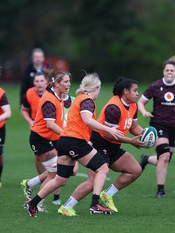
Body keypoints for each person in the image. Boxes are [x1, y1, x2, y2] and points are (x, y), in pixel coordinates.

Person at [24, 73, 123, 217]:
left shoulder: (77, 99)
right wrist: (108, 129)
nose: (99, 92)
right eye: (99, 88)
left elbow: (80, 123)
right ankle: (95, 204)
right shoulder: (87, 100)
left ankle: (32, 204)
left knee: (60, 179)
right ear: (95, 88)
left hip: (64, 140)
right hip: (73, 141)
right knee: (102, 169)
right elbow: (87, 120)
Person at [58, 77, 145, 216]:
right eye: (135, 90)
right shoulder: (114, 108)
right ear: (125, 91)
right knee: (92, 181)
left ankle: (107, 195)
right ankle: (67, 206)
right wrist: (130, 141)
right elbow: (109, 134)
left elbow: (133, 126)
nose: (137, 93)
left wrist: (147, 136)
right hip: (100, 143)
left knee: (135, 170)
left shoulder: (132, 105)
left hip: (114, 146)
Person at [138, 54, 175, 198]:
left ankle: (146, 159)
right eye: (167, 70)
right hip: (158, 125)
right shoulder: (156, 86)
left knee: (165, 158)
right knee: (165, 156)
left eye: (172, 70)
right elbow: (141, 102)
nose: (169, 72)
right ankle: (160, 190)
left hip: (173, 127)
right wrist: (143, 112)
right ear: (163, 71)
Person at [21, 72, 77, 205]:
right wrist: (68, 135)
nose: (69, 84)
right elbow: (50, 124)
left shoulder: (59, 96)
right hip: (41, 139)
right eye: (65, 81)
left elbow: (59, 120)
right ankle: (36, 204)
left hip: (53, 138)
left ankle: (30, 184)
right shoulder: (49, 100)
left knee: (68, 170)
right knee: (56, 173)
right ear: (57, 83)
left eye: (69, 81)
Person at [20, 71, 49, 175]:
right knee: (39, 157)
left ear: (46, 82)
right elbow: (24, 110)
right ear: (33, 82)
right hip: (38, 130)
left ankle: (55, 177)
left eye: (42, 81)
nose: (39, 83)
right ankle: (43, 178)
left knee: (57, 153)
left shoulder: (52, 93)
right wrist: (30, 121)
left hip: (52, 127)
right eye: (37, 81)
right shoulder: (29, 93)